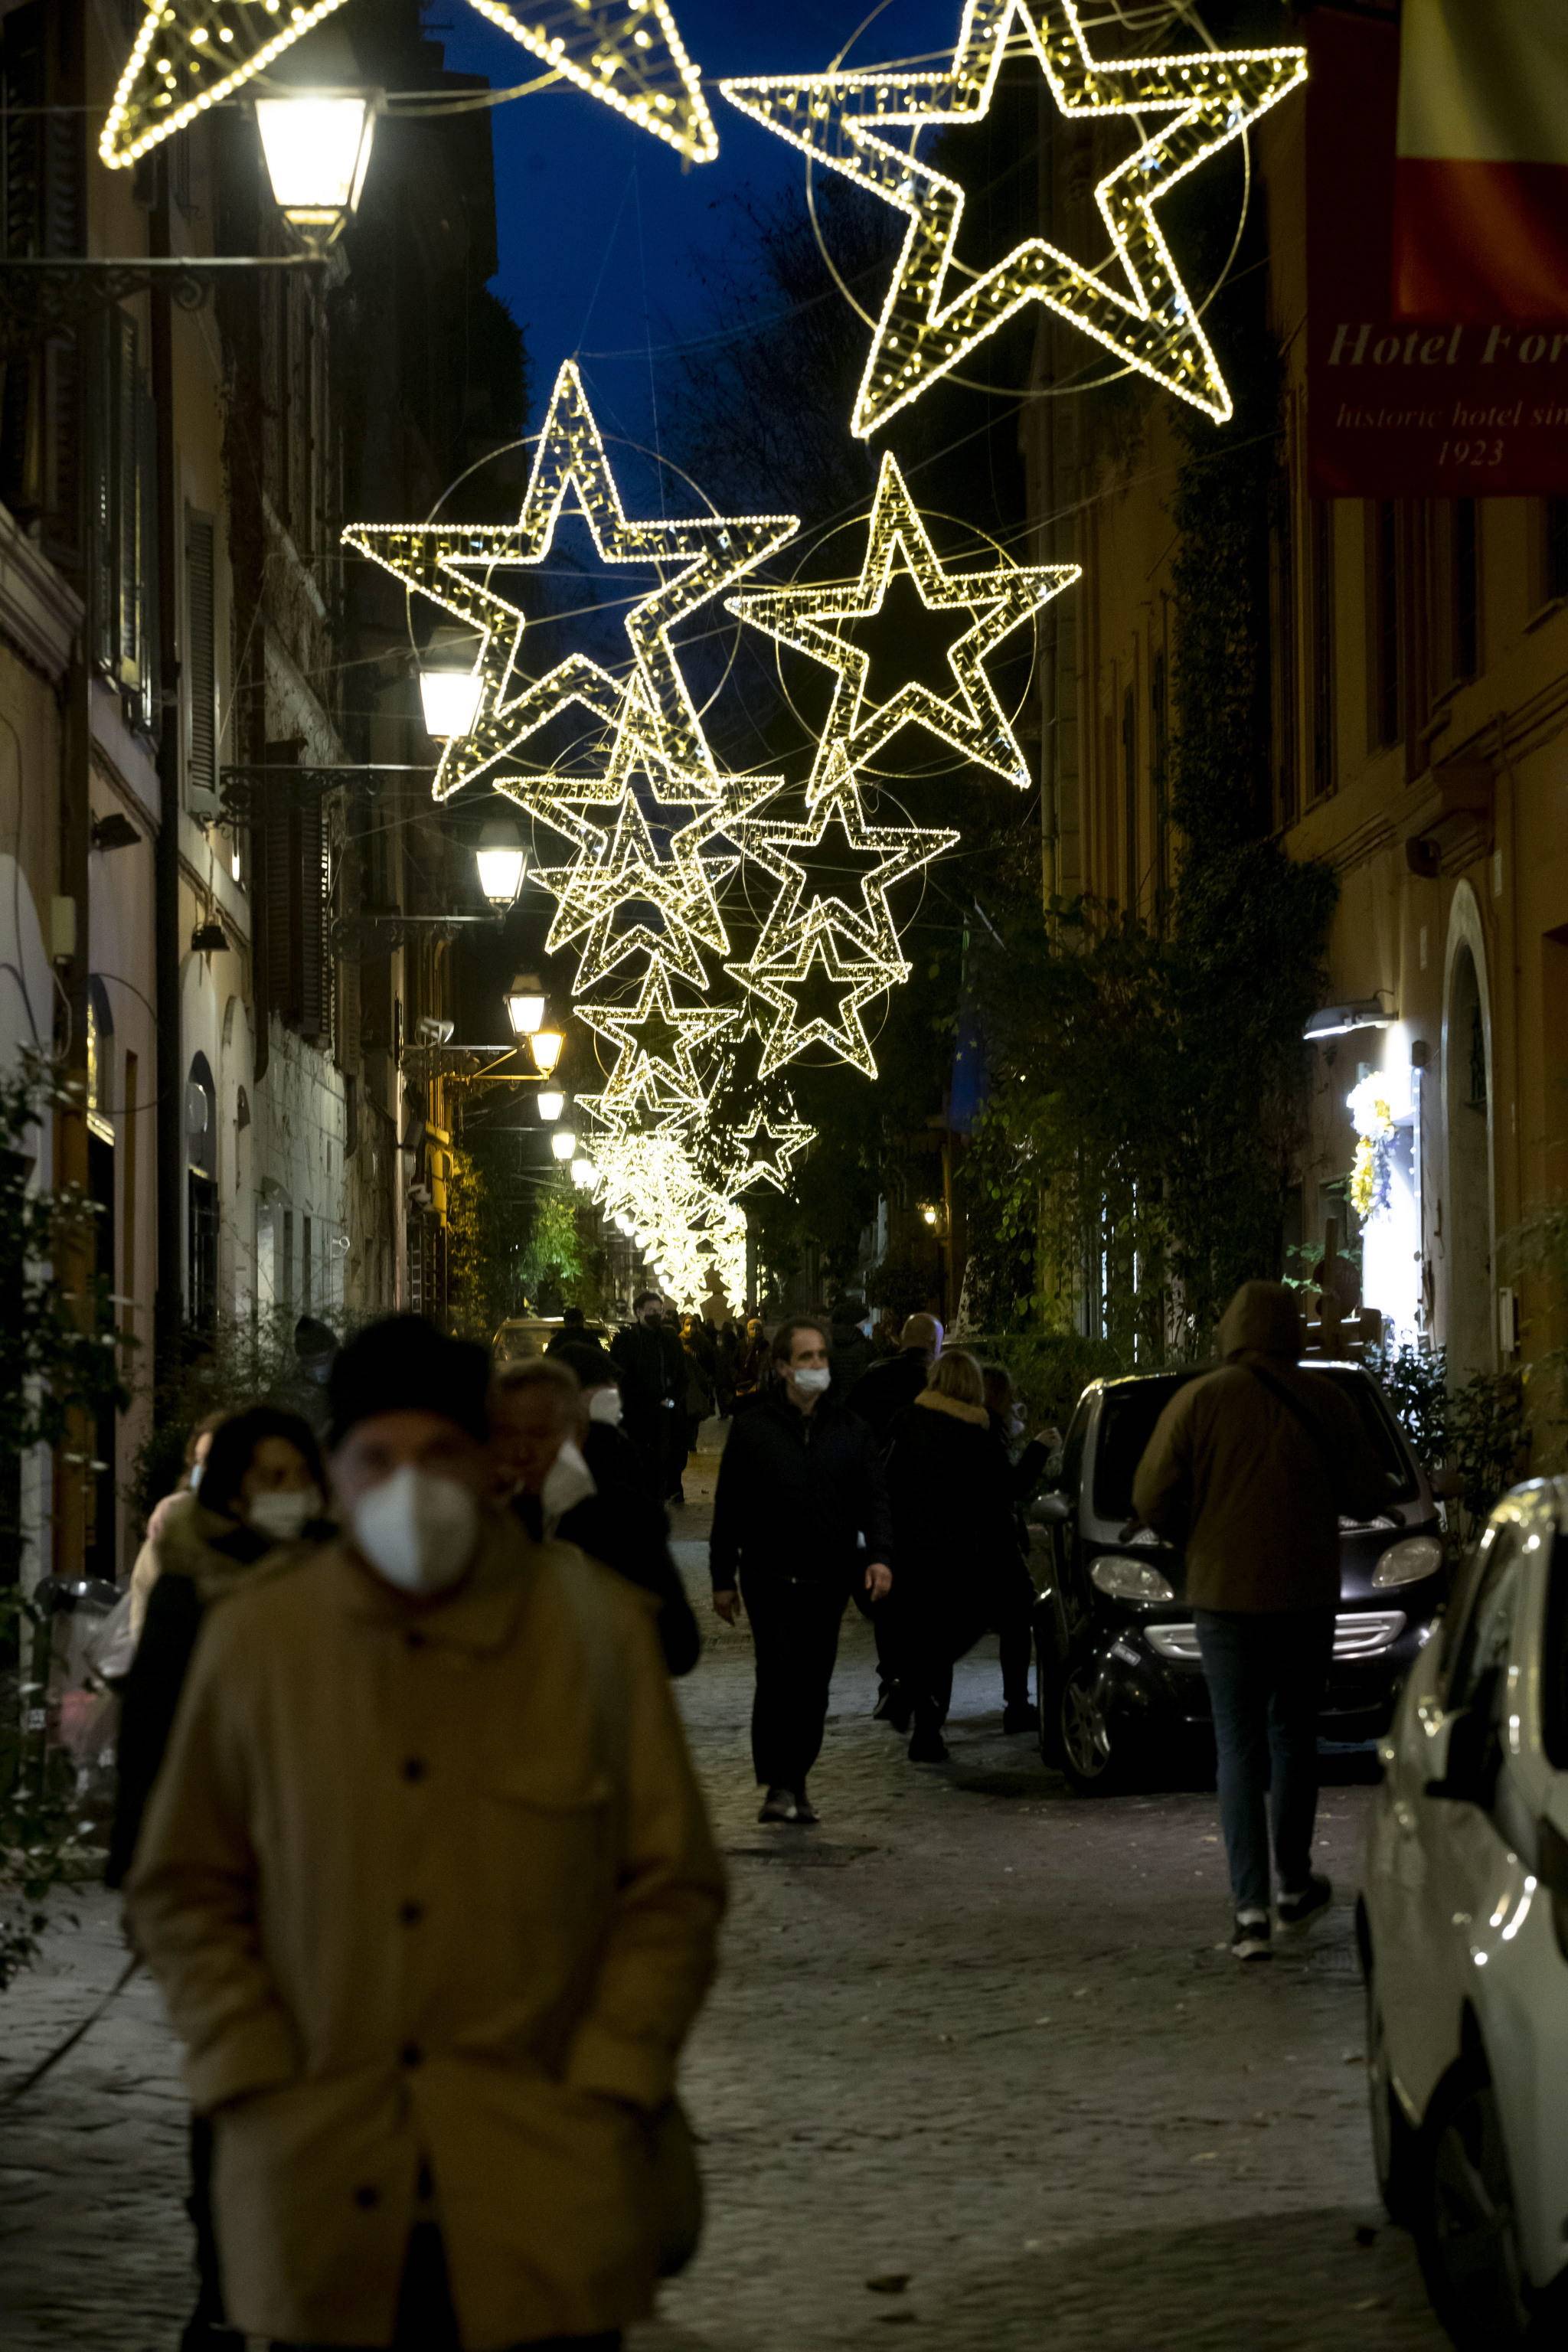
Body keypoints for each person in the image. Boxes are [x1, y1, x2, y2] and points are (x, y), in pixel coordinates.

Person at [126, 1313, 724, 2352]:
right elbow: (185, 1882)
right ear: (336, 1474)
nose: (410, 1484)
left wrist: (614, 2074)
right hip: (323, 2171)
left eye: (439, 1453)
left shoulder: (592, 1635)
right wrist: (245, 2064)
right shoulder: (260, 1640)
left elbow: (669, 1884)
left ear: (488, 1461)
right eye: (379, 1458)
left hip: (542, 2167)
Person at [109, 1404, 328, 2352]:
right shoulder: (191, 1596)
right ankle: (221, 2287)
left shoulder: (344, 1592)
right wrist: (141, 1885)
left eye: (297, 1477)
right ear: (233, 1486)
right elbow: (148, 1748)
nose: (282, 1496)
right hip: (226, 1887)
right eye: (265, 1477)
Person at [1132, 1279, 1391, 1963]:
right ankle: (1293, 1882)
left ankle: (1249, 1908)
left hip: (1223, 1597)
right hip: (1306, 1595)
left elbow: (1151, 1493)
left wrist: (1200, 1536)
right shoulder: (1327, 1401)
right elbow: (1366, 1493)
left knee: (1237, 1748)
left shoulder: (1201, 1401)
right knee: (1294, 1740)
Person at [709, 1316, 893, 1825]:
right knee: (776, 1677)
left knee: (813, 1683)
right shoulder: (754, 1428)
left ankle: (798, 1777)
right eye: (806, 1358)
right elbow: (730, 1507)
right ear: (784, 1368)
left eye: (822, 1357)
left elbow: (874, 1500)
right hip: (768, 1574)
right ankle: (778, 1783)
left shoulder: (851, 1430)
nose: (816, 1366)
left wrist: (880, 1556)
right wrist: (722, 1578)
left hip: (827, 1575)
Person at [493, 1348, 701, 1677]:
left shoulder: (621, 1519)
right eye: (506, 1434)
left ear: (575, 1432)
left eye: (540, 1433)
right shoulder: (481, 1524)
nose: (522, 1451)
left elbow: (677, 1647)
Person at [883, 1350, 1023, 1763]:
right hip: (958, 1551)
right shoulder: (976, 1434)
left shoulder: (905, 1421)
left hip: (909, 1549)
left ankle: (924, 1725)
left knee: (922, 1635)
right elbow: (1002, 1489)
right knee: (951, 1635)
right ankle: (920, 1714)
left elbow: (883, 1479)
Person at [981, 1364, 1061, 1733]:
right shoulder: (983, 1431)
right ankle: (1018, 1703)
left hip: (973, 1541)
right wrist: (1038, 1449)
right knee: (1019, 1617)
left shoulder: (975, 1428)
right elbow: (1009, 1486)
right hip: (990, 1542)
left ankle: (927, 1717)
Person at [127, 1411, 225, 1642]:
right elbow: (141, 1606)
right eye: (199, 1461)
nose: (202, 1471)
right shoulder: (167, 1534)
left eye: (212, 1460)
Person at [612, 1289, 688, 1506]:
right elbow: (621, 1376)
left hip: (666, 1413)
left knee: (667, 1459)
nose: (656, 1315)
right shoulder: (626, 1341)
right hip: (637, 1413)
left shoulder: (670, 1340)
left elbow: (682, 1376)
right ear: (638, 1312)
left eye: (659, 1310)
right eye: (650, 1311)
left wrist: (671, 1401)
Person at [845, 1312, 944, 1442]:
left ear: (903, 1338)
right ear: (934, 1342)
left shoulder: (874, 1373)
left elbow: (851, 1421)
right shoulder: (938, 1380)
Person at [828, 1298, 876, 1395]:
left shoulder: (825, 1344)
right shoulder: (866, 1347)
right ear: (854, 1323)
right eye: (866, 1321)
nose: (870, 1324)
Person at [731, 1315, 767, 1409]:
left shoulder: (765, 1345)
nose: (755, 1332)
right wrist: (736, 1376)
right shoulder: (742, 1344)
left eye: (757, 1329)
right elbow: (734, 1362)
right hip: (743, 1382)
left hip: (757, 1383)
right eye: (752, 1329)